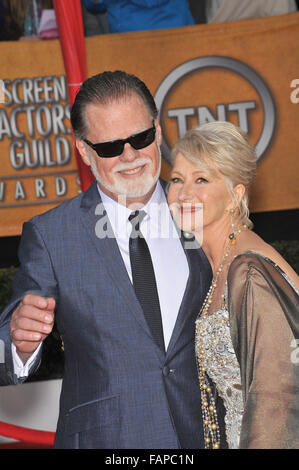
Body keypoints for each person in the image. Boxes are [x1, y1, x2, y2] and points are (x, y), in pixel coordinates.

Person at [0, 71, 212, 449]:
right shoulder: (52, 236)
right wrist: (18, 341)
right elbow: (7, 341)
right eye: (111, 147)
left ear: (158, 132)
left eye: (141, 138)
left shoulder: (202, 210)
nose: (130, 156)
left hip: (205, 437)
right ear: (84, 151)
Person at [167, 121, 299, 449]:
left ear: (234, 196)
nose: (183, 193)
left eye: (201, 179)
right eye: (176, 179)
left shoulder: (249, 271)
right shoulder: (217, 264)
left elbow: (275, 403)